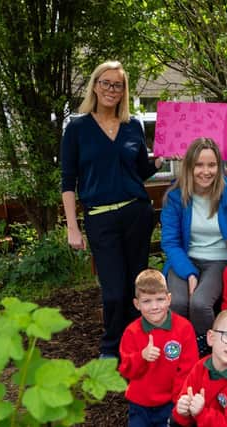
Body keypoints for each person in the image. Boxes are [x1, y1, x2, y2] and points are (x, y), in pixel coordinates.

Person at [61, 60, 165, 358]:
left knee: (136, 288)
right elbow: (68, 181)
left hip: (136, 214)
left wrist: (159, 161)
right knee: (114, 290)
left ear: (123, 91)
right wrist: (72, 226)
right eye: (105, 83)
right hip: (100, 218)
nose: (110, 89)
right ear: (95, 85)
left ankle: (137, 350)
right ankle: (110, 349)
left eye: (117, 85)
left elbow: (139, 171)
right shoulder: (78, 128)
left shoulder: (133, 125)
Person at [161, 137, 227, 349]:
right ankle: (179, 352)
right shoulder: (176, 197)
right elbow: (171, 242)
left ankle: (209, 354)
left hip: (219, 260)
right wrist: (189, 273)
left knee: (200, 303)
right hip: (185, 258)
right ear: (189, 167)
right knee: (176, 302)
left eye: (212, 165)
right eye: (199, 165)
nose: (206, 171)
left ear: (219, 166)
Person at [119, 269, 199, 426]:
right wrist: (141, 356)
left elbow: (188, 370)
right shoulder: (131, 332)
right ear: (137, 304)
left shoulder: (184, 328)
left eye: (160, 299)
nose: (154, 306)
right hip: (139, 404)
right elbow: (125, 370)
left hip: (170, 403)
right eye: (147, 301)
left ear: (169, 299)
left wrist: (179, 401)